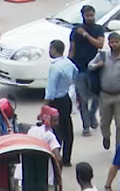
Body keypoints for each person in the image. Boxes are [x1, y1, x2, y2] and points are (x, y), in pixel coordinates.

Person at [70, 4, 106, 138]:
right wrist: (69, 64)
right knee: (82, 99)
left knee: (96, 95)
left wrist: (85, 35)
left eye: (92, 15)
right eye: (87, 16)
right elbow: (72, 48)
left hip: (94, 68)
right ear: (83, 16)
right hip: (79, 68)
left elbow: (99, 44)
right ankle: (86, 126)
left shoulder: (98, 29)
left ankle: (92, 115)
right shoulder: (76, 30)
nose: (90, 18)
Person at [46, 38, 77, 166]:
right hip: (66, 98)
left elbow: (51, 89)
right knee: (67, 127)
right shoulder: (68, 63)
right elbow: (76, 73)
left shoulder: (55, 67)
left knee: (56, 130)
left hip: (56, 101)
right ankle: (67, 158)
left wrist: (45, 105)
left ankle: (56, 158)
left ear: (53, 50)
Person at [27, 106, 64, 180]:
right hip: (45, 171)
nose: (57, 123)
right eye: (55, 120)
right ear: (48, 119)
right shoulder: (49, 135)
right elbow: (58, 158)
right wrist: (59, 174)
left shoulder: (31, 130)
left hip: (29, 169)